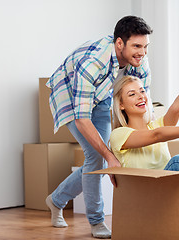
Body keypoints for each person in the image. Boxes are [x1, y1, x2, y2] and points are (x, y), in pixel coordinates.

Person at [44, 15, 153, 239]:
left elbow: (144, 101)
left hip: (102, 96)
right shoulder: (92, 62)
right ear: (120, 43)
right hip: (69, 96)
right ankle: (97, 221)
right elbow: (82, 118)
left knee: (100, 159)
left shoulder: (139, 59)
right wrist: (109, 155)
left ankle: (56, 200)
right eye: (136, 46)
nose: (142, 52)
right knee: (98, 157)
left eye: (145, 46)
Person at [110, 68, 179, 172]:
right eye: (132, 94)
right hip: (149, 186)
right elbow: (156, 135)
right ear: (121, 105)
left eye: (142, 91)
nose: (141, 96)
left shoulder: (156, 125)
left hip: (169, 183)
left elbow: (176, 109)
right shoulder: (118, 135)